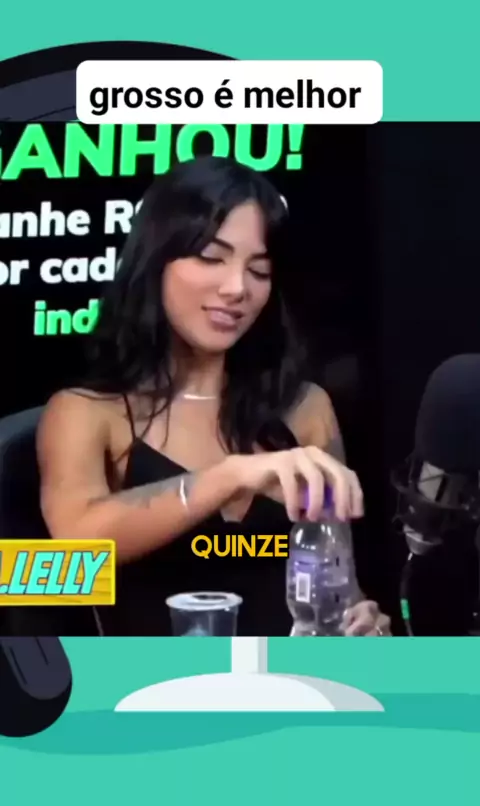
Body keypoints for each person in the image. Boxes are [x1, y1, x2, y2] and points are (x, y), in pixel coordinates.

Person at [37, 156, 391, 637]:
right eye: (210, 257)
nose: (237, 288)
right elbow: (69, 554)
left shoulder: (305, 409)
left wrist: (362, 621)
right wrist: (229, 476)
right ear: (157, 259)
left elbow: (338, 585)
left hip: (285, 679)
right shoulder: (86, 413)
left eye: (259, 270)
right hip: (148, 680)